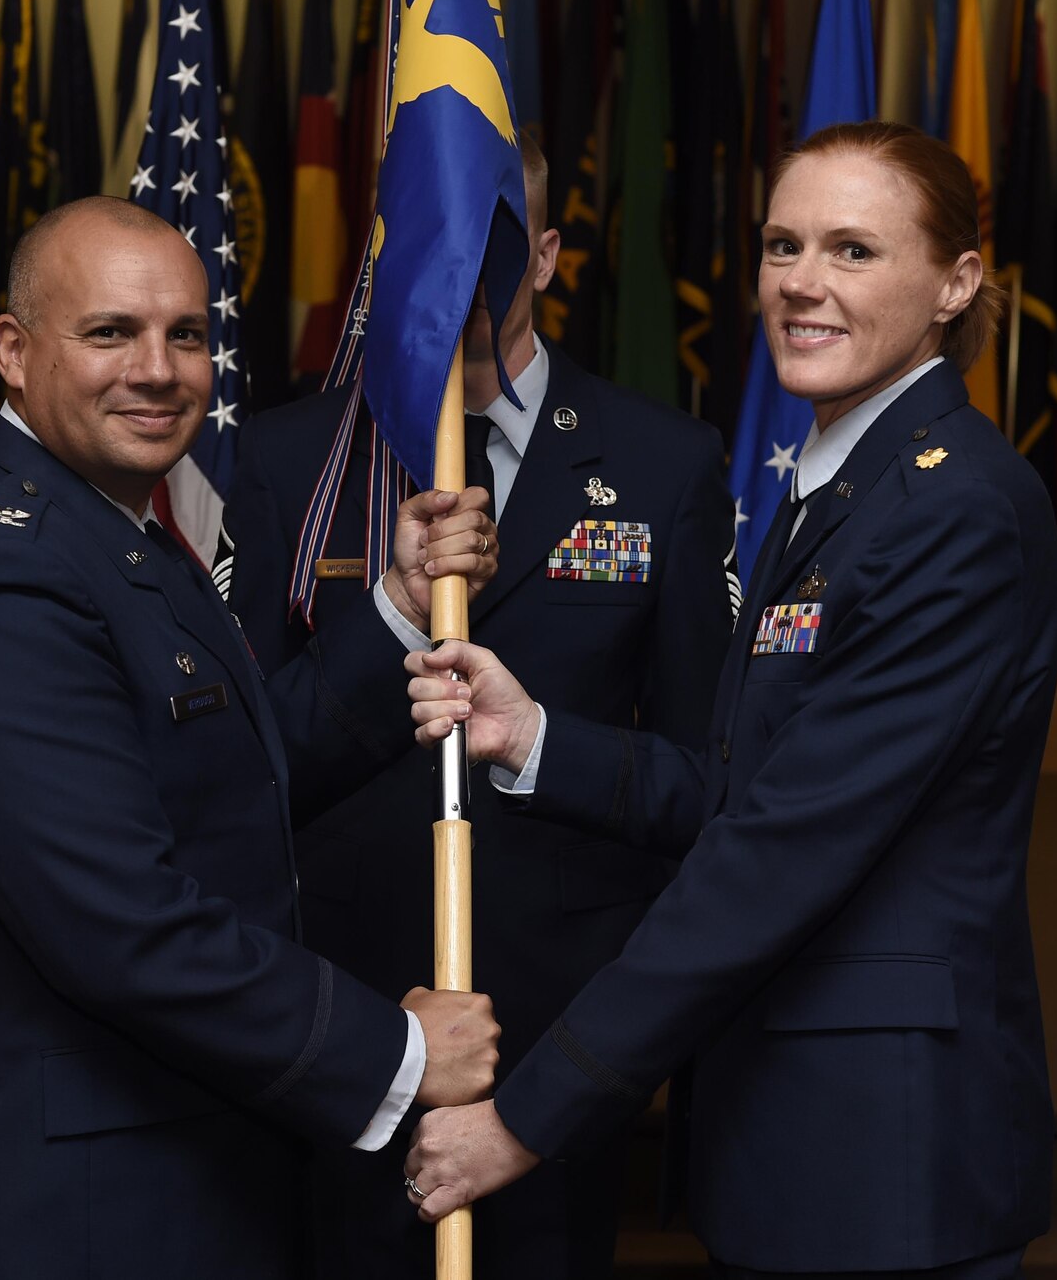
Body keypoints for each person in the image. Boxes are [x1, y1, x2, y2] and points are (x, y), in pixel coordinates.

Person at [403, 122, 1057, 1279]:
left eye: (853, 251)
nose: (800, 283)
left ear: (955, 283)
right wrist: (535, 736)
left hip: (879, 1150)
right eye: (781, 244)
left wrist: (525, 1113)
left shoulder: (951, 510)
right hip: (796, 1122)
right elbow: (744, 783)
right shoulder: (841, 486)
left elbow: (778, 846)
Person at [0, 196, 504, 1277]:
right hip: (76, 1207)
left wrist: (394, 603)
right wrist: (392, 1049)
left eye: (188, 334)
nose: (158, 370)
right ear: (13, 352)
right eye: (110, 332)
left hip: (183, 1152)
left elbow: (228, 779)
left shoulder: (112, 528)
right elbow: (118, 922)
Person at [221, 133, 737, 1279]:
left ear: (547, 256)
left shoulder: (660, 464)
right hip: (337, 1009)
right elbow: (239, 768)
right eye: (425, 242)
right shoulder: (289, 460)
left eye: (491, 244)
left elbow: (709, 780)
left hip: (558, 1022)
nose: (456, 272)